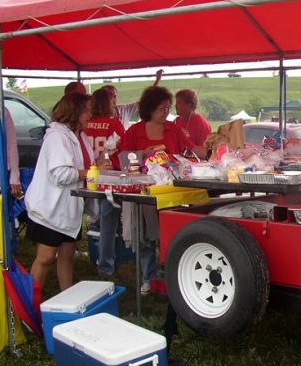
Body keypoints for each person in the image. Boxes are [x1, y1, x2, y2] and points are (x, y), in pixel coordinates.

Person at [121, 85, 197, 295]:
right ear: (150, 108)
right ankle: (149, 277)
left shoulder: (173, 128)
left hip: (170, 192)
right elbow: (122, 157)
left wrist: (214, 145)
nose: (167, 112)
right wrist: (141, 153)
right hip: (144, 193)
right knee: (145, 236)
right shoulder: (134, 130)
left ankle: (173, 276)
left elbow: (191, 150)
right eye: (163, 108)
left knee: (170, 234)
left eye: (168, 108)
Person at [25, 92, 92, 292]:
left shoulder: (74, 136)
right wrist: (90, 173)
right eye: (87, 111)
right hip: (50, 209)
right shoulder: (57, 137)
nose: (90, 115)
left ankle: (67, 299)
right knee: (45, 258)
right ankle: (28, 305)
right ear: (75, 112)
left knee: (67, 256)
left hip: (66, 209)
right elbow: (61, 174)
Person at [85, 88, 127, 277]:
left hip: (87, 175)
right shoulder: (114, 124)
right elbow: (125, 149)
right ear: (107, 103)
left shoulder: (85, 124)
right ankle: (106, 265)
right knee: (109, 221)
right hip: (109, 176)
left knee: (94, 219)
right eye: (112, 101)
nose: (115, 104)